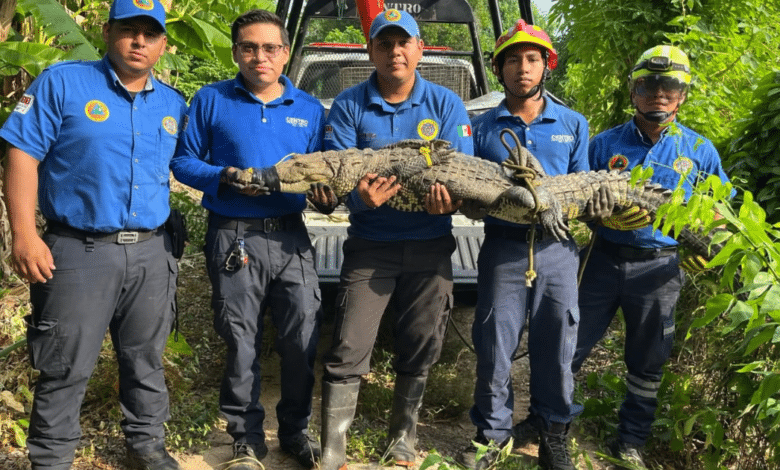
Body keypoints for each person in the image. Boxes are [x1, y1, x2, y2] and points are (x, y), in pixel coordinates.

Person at [1, 1, 187, 469]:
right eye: (129, 29)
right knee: (64, 365)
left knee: (145, 360)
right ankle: (52, 459)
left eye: (150, 33)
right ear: (107, 32)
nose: (139, 41)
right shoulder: (63, 83)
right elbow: (21, 154)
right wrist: (24, 234)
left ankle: (146, 447)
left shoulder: (172, 103)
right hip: (78, 252)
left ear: (163, 44)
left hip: (151, 253)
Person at [313, 9, 474, 470]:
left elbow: (460, 173)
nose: (395, 52)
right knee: (348, 345)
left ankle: (402, 440)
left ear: (420, 49)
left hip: (431, 246)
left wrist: (451, 202)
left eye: (404, 43)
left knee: (421, 342)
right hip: (371, 247)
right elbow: (338, 176)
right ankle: (333, 449)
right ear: (371, 50)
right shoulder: (348, 105)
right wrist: (359, 200)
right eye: (384, 43)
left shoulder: (446, 105)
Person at [169, 9, 325, 470]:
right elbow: (183, 161)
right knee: (241, 340)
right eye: (249, 48)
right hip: (233, 235)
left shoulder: (309, 109)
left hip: (291, 237)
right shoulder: (212, 99)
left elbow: (325, 171)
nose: (261, 57)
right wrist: (225, 176)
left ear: (286, 53)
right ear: (237, 52)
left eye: (270, 48)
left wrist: (326, 193)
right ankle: (246, 438)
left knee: (302, 336)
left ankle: (295, 431)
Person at [458, 19, 612, 470]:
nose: (522, 68)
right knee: (494, 345)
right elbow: (468, 190)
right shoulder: (481, 128)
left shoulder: (573, 123)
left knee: (558, 345)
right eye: (512, 60)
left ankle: (553, 432)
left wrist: (597, 207)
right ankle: (491, 436)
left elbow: (582, 186)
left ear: (546, 66)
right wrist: (471, 204)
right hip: (503, 250)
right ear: (498, 68)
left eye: (532, 59)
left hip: (557, 249)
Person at [571, 45, 731, 470]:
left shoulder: (699, 151)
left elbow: (720, 210)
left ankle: (630, 441)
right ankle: (551, 421)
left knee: (648, 361)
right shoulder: (604, 144)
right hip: (602, 259)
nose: (658, 93)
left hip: (661, 268)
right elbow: (576, 201)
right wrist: (596, 218)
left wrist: (711, 250)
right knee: (569, 343)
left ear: (683, 95)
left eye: (669, 86)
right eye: (648, 85)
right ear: (633, 91)